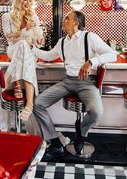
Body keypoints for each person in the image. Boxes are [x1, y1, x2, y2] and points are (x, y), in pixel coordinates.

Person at [31, 10, 117, 160]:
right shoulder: (63, 41)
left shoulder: (89, 37)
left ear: (76, 23)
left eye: (67, 18)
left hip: (87, 83)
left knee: (96, 112)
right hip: (67, 81)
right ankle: (56, 143)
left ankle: (81, 134)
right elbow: (49, 56)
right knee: (37, 103)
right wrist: (32, 48)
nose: (63, 20)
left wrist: (91, 62)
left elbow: (112, 54)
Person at [2, 0, 44, 121]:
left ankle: (17, 85)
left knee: (25, 46)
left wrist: (40, 39)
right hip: (13, 48)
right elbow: (8, 36)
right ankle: (30, 102)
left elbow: (38, 34)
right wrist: (24, 30)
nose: (28, 3)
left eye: (30, 0)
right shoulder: (7, 16)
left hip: (30, 50)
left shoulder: (33, 16)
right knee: (21, 44)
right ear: (18, 0)